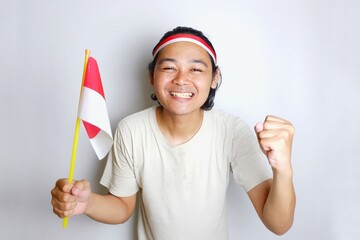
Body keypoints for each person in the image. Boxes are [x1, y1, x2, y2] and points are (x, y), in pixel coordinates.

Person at [51, 26, 296, 239]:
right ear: (151, 76)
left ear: (214, 78)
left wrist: (282, 168)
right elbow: (122, 206)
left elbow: (278, 224)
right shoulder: (132, 130)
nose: (181, 79)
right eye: (169, 67)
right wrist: (88, 202)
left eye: (196, 70)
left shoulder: (230, 131)